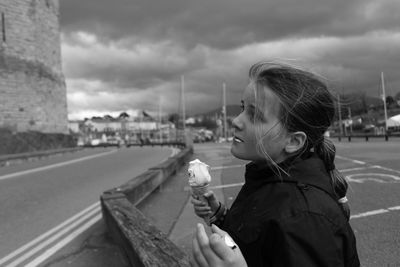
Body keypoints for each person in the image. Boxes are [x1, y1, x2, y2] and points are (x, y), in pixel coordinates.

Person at [191, 61, 360, 267]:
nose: (236, 121)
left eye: (255, 115)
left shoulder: (304, 219)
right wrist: (220, 215)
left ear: (293, 141)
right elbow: (259, 239)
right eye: (243, 108)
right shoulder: (268, 176)